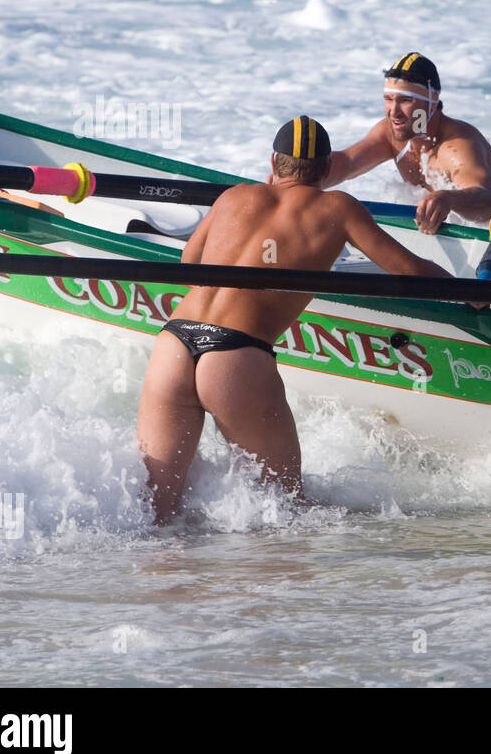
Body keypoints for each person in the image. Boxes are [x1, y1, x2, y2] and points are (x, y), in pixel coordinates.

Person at [138, 115, 450, 524]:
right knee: (285, 513)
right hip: (236, 356)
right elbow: (411, 272)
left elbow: (189, 260)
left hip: (174, 343)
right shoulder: (338, 207)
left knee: (155, 515)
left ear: (273, 162)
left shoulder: (232, 197)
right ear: (325, 170)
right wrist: (472, 294)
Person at [323, 52, 491, 234]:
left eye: (405, 100)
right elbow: (345, 163)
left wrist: (448, 198)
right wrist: (299, 178)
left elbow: (489, 205)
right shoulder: (390, 134)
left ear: (432, 104)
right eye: (388, 99)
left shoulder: (456, 145)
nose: (394, 112)